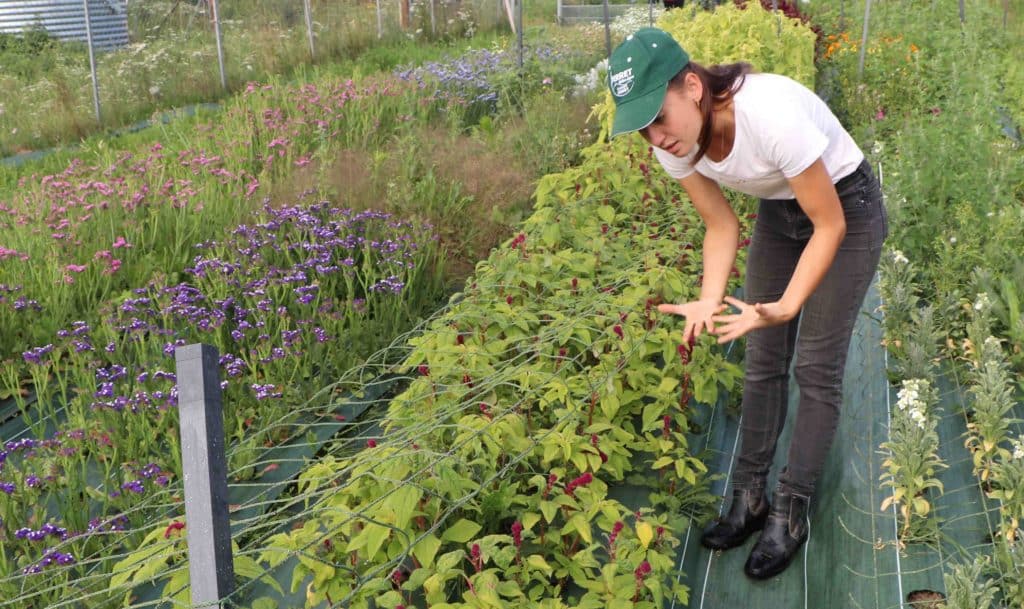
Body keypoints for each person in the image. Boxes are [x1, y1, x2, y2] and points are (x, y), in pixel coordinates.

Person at [606, 28, 887, 579]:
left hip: (846, 212)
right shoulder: (676, 147)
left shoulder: (770, 115)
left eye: (659, 118)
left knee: (815, 366)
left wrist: (785, 305)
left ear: (692, 86)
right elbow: (720, 222)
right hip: (782, 214)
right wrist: (709, 301)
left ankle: (791, 507)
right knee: (761, 362)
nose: (656, 138)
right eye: (642, 129)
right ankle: (750, 494)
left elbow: (829, 224)